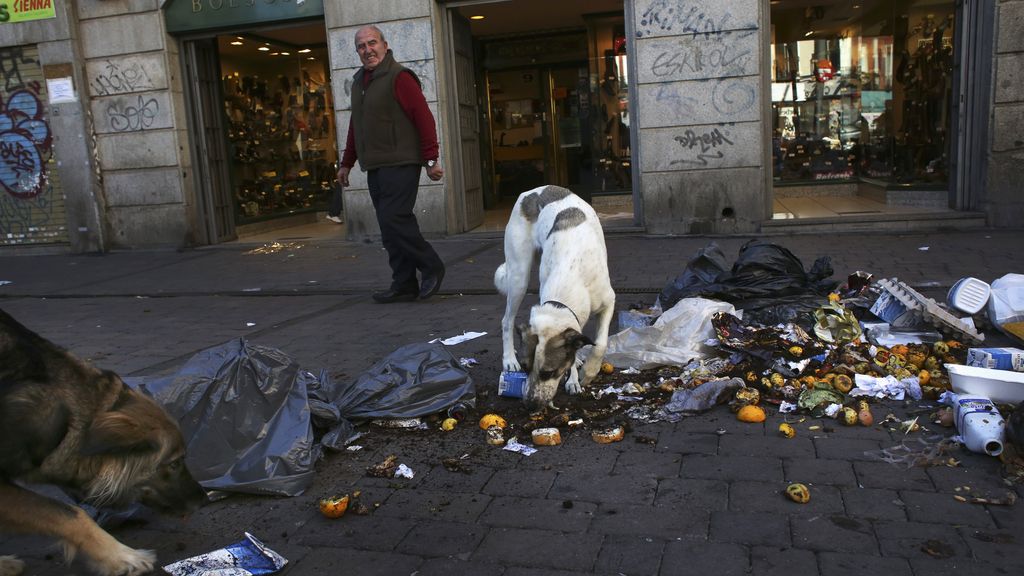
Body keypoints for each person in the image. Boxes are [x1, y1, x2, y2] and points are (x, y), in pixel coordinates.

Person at [336, 25, 445, 303]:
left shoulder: (399, 77)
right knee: (388, 227)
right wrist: (346, 162)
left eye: (372, 43)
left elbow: (423, 118)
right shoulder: (360, 81)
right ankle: (404, 283)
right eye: (361, 46)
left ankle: (432, 266)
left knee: (395, 219)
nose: (367, 49)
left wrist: (431, 159)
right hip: (376, 165)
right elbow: (355, 127)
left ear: (385, 45)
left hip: (402, 161)